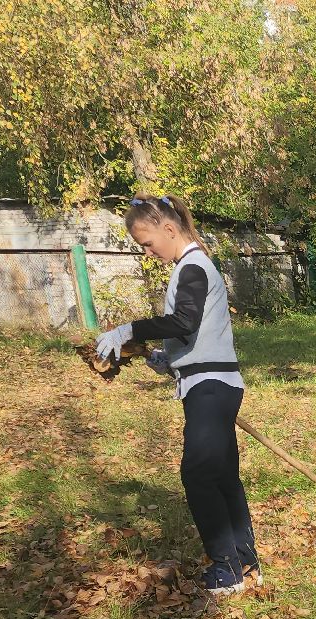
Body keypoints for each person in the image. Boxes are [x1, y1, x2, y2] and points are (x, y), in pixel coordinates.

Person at [95, 195, 259, 596]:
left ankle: (227, 569)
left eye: (148, 243)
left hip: (211, 387)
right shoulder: (192, 268)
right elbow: (193, 334)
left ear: (169, 229)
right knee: (221, 475)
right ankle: (245, 560)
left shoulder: (193, 267)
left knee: (198, 474)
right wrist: (165, 360)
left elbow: (182, 319)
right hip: (210, 383)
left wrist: (129, 329)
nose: (148, 253)